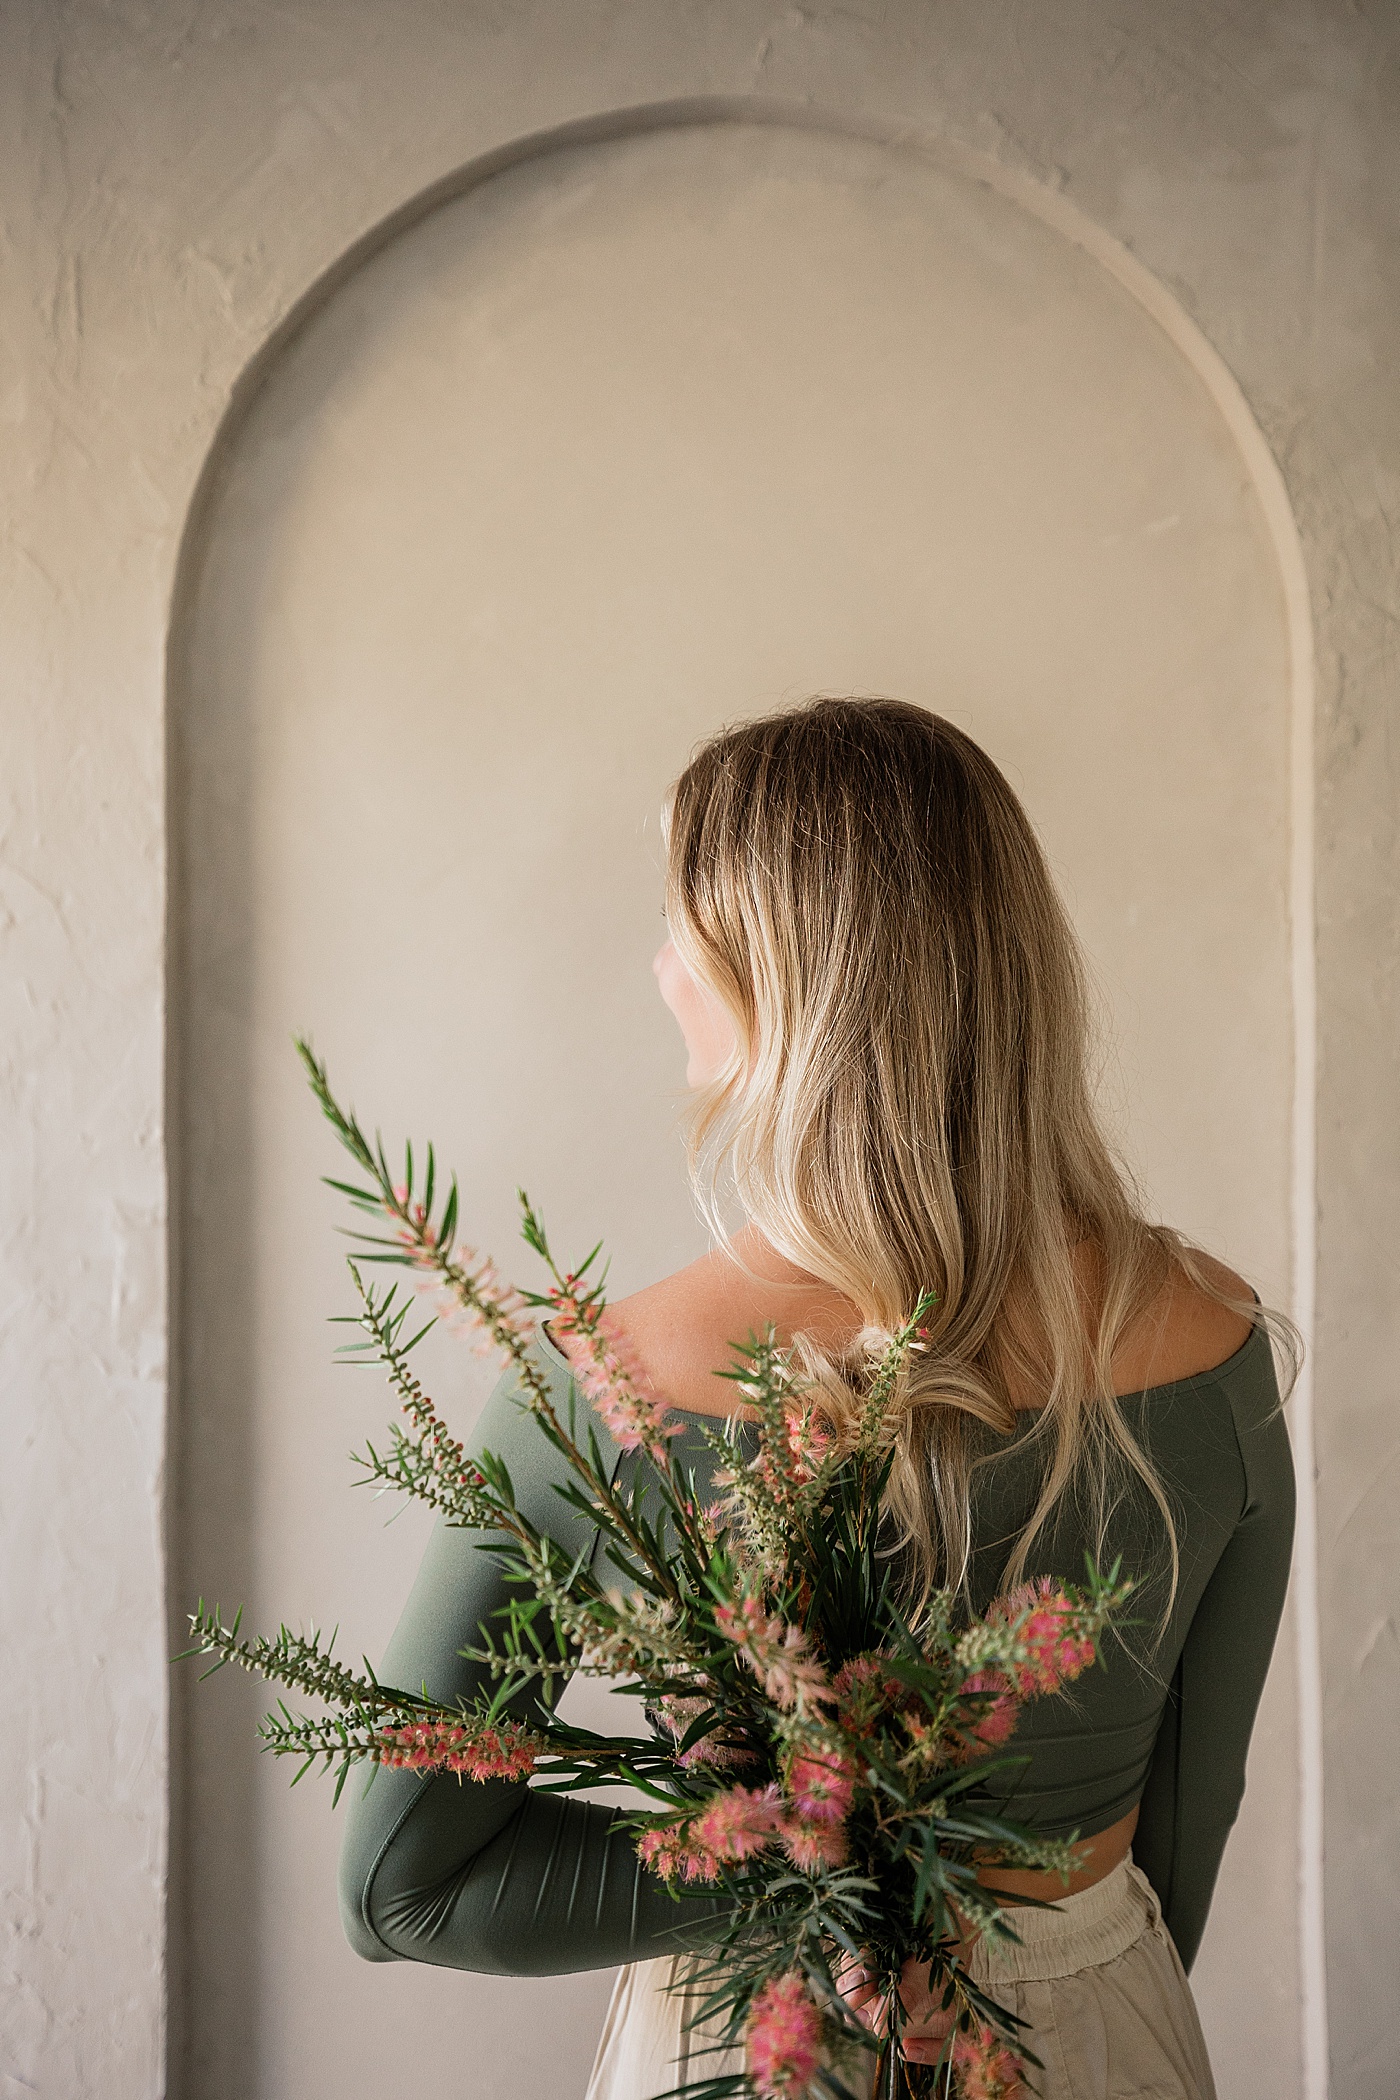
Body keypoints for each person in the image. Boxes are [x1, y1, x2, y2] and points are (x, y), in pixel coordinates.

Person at [338, 698, 1296, 2100]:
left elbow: (401, 1889)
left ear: (773, 979)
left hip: (750, 2055)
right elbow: (1185, 1832)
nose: (658, 965)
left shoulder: (602, 1385)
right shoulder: (1217, 1342)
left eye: (679, 927)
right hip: (1093, 2042)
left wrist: (792, 1874)